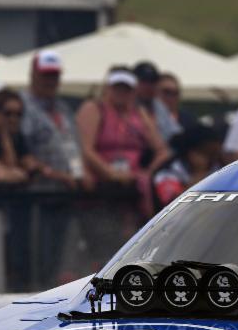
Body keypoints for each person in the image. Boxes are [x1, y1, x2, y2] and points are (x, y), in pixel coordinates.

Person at [77, 67, 170, 217]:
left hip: (132, 191)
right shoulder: (94, 109)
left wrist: (146, 173)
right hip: (99, 190)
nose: (121, 92)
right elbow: (86, 149)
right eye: (117, 88)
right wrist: (111, 173)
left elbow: (162, 151)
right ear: (108, 88)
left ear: (133, 91)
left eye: (126, 88)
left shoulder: (139, 114)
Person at [19, 50, 86, 188]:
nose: (50, 81)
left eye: (54, 76)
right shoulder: (20, 106)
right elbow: (20, 152)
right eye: (45, 76)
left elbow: (72, 145)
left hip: (68, 192)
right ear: (33, 74)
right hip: (34, 193)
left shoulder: (64, 108)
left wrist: (79, 174)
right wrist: (55, 174)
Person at [0, 88, 68, 185]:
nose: (13, 119)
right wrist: (3, 135)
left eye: (18, 114)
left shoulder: (17, 135)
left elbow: (29, 162)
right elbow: (5, 169)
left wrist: (61, 176)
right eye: (8, 113)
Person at [152, 124, 221, 211]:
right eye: (209, 153)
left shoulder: (216, 167)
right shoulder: (167, 173)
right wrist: (199, 174)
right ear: (192, 152)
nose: (213, 158)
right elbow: (174, 205)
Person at [133, 60, 182, 140]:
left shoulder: (158, 106)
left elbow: (176, 133)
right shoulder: (126, 106)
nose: (149, 86)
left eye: (153, 81)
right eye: (144, 81)